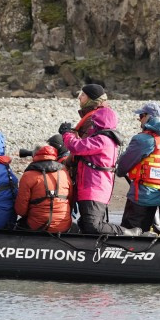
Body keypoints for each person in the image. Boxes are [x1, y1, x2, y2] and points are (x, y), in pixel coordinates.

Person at [63, 83, 134, 235]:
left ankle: (129, 233)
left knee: (93, 226)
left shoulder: (102, 139)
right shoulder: (101, 137)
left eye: (82, 95)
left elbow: (77, 147)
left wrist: (66, 134)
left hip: (94, 186)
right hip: (90, 185)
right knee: (87, 223)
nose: (91, 125)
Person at [116, 102, 160, 233]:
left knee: (130, 233)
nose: (139, 119)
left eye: (141, 115)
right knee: (149, 230)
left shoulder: (142, 139)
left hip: (140, 197)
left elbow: (122, 167)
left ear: (148, 116)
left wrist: (119, 170)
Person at [15, 144, 72, 233]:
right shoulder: (64, 173)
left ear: (35, 155)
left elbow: (20, 210)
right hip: (62, 226)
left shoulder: (28, 175)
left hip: (36, 225)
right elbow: (71, 200)